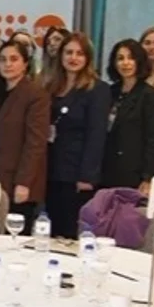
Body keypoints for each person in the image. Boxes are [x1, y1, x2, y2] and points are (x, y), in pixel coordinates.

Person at [0, 40, 50, 231]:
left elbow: (35, 143)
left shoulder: (36, 95)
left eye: (14, 59)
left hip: (18, 180)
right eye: (3, 59)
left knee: (14, 236)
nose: (7, 64)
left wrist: (24, 183)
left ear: (25, 64)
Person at [42, 33, 111, 239]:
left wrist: (87, 177)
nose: (73, 58)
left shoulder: (98, 89)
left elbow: (96, 134)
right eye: (69, 52)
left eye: (79, 53)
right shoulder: (50, 86)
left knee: (72, 231)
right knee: (52, 230)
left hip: (76, 173)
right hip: (50, 168)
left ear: (88, 58)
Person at [101, 39, 154, 193]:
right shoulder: (109, 92)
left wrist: (148, 177)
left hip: (133, 172)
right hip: (106, 169)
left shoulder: (151, 95)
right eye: (120, 58)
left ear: (139, 61)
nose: (125, 63)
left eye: (131, 58)